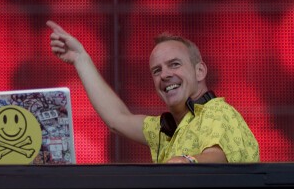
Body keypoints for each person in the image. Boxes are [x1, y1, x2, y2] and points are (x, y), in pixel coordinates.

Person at [46, 20, 260, 164]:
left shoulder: (218, 112)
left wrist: (183, 162)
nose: (165, 74)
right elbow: (117, 119)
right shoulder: (167, 130)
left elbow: (217, 157)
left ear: (200, 71)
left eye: (174, 64)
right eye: (157, 70)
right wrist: (80, 58)